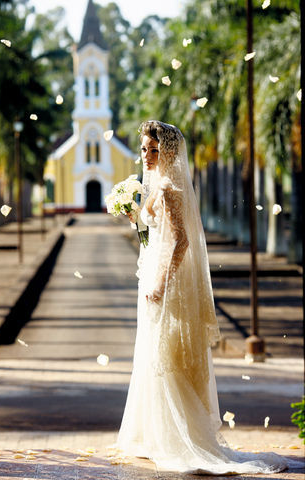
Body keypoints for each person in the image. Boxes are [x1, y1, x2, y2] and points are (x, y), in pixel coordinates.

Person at [116, 120, 291, 474]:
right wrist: (132, 212)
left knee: (165, 354)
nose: (147, 156)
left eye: (154, 150)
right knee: (152, 351)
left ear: (168, 152)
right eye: (144, 149)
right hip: (151, 272)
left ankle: (180, 435)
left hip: (164, 281)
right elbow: (158, 230)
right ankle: (152, 433)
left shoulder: (168, 187)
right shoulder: (156, 187)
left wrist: (161, 284)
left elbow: (180, 240)